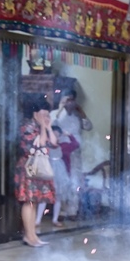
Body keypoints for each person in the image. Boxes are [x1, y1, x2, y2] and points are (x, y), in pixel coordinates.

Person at [15, 96, 59, 247]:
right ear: (35, 114)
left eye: (48, 115)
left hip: (39, 168)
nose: (46, 117)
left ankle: (33, 235)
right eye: (43, 114)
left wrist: (48, 127)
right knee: (29, 201)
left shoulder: (42, 126)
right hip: (29, 167)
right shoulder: (27, 126)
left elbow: (53, 143)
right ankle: (29, 236)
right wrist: (42, 127)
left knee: (34, 201)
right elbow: (39, 144)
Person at [52, 89, 92, 220]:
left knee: (75, 181)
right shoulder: (56, 115)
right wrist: (60, 109)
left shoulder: (77, 117)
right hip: (60, 153)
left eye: (71, 100)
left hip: (75, 152)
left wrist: (82, 113)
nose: (69, 103)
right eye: (67, 100)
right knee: (62, 181)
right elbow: (52, 125)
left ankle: (72, 211)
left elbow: (89, 126)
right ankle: (61, 212)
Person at [36, 124, 79, 229]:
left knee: (58, 197)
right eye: (53, 135)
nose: (55, 137)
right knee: (44, 197)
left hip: (60, 175)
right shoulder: (45, 146)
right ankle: (37, 220)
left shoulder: (64, 146)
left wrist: (68, 134)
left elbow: (76, 144)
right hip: (48, 173)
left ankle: (55, 219)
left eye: (57, 135)